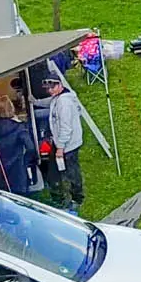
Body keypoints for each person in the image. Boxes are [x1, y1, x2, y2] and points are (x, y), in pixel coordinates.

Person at [41, 75, 84, 211]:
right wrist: (35, 101)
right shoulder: (58, 97)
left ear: (60, 85)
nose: (50, 91)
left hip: (68, 144)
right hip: (60, 141)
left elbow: (66, 128)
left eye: (52, 88)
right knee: (55, 171)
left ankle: (77, 198)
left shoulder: (64, 103)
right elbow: (49, 102)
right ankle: (60, 196)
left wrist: (60, 147)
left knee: (72, 172)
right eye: (48, 88)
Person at [0, 97, 38, 199]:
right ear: (11, 109)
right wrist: (25, 160)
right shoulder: (19, 127)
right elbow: (31, 148)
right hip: (17, 171)